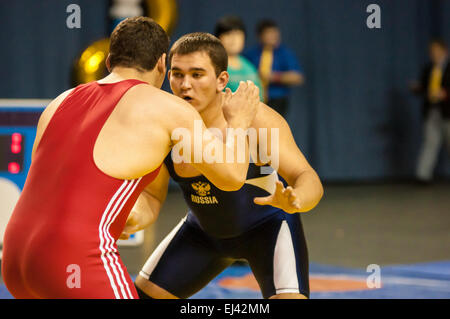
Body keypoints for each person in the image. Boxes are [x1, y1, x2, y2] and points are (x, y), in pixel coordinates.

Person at [1, 18, 260, 299]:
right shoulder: (167, 107)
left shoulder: (61, 101)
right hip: (73, 260)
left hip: (15, 260)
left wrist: (127, 216)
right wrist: (239, 122)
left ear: (109, 61)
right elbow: (233, 177)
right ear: (163, 63)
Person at [126, 32, 323, 299]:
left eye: (197, 75)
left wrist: (297, 199)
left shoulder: (256, 119)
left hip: (268, 231)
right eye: (177, 74)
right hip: (202, 234)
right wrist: (129, 218)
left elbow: (306, 176)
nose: (185, 85)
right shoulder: (164, 126)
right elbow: (150, 196)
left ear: (221, 80)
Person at [244, 19, 304, 117]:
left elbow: (297, 77)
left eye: (275, 33)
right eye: (269, 34)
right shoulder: (252, 54)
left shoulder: (285, 54)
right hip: (255, 99)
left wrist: (274, 77)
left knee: (274, 130)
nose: (273, 37)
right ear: (260, 36)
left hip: (277, 99)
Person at [411, 39, 450, 183]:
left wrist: (445, 94)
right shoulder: (428, 69)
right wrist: (417, 88)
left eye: (436, 51)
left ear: (444, 51)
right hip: (432, 112)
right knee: (429, 143)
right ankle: (423, 176)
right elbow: (424, 88)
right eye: (431, 52)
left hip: (448, 112)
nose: (433, 54)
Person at [214, 15, 264, 100]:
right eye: (228, 34)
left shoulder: (249, 66)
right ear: (218, 38)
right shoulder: (215, 66)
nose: (233, 39)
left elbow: (262, 97)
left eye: (237, 34)